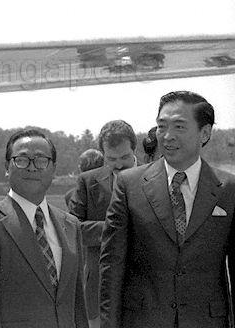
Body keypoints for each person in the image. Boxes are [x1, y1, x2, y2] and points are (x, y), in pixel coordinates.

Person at [100, 91, 235, 328]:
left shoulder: (229, 189)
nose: (167, 136)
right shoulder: (129, 185)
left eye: (179, 127)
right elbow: (112, 265)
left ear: (204, 133)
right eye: (162, 126)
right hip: (143, 320)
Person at [0, 129, 88, 328]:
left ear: (53, 168)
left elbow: (78, 306)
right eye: (22, 159)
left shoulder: (70, 225)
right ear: (7, 167)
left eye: (40, 159)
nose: (32, 167)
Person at [68, 120, 137, 328]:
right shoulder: (87, 182)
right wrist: (115, 228)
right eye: (111, 159)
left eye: (125, 157)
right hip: (99, 287)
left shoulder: (158, 177)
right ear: (102, 154)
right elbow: (73, 228)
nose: (118, 165)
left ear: (134, 148)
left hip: (144, 288)